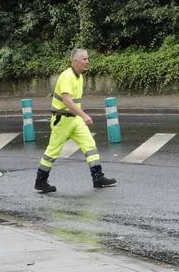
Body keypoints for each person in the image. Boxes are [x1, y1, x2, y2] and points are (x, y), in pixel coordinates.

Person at [35, 48, 117, 194]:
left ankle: (98, 178)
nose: (88, 62)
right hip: (62, 120)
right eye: (84, 59)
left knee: (90, 145)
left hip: (75, 120)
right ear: (75, 61)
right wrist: (84, 115)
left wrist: (80, 116)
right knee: (52, 152)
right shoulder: (67, 76)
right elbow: (67, 101)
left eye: (88, 58)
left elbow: (73, 102)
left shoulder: (79, 76)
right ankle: (40, 181)